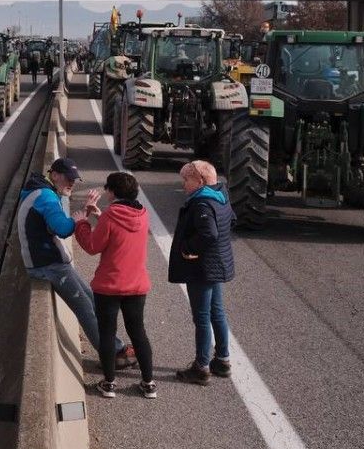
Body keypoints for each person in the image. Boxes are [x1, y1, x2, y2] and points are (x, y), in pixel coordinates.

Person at [18, 159, 135, 369]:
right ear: (54, 175)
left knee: (91, 298)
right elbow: (62, 227)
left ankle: (114, 345)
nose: (71, 183)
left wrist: (81, 214)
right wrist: (80, 219)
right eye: (68, 178)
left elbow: (55, 223)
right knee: (85, 308)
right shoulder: (45, 196)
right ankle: (113, 354)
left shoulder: (41, 192)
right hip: (47, 266)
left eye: (74, 179)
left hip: (49, 263)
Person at [73, 172, 156, 399]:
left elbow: (92, 246)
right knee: (138, 332)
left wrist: (82, 222)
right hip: (137, 285)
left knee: (107, 334)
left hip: (109, 286)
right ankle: (148, 384)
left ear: (111, 192)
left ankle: (109, 384)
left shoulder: (111, 216)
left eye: (107, 189)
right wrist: (100, 216)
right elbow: (121, 234)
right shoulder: (143, 214)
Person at [169, 160, 235, 385]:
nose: (183, 185)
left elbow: (209, 234)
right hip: (216, 265)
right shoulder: (221, 196)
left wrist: (188, 248)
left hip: (202, 268)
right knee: (217, 311)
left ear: (200, 181)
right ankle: (223, 360)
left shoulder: (201, 204)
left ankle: (201, 366)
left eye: (186, 180)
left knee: (202, 317)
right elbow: (230, 222)